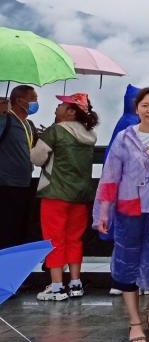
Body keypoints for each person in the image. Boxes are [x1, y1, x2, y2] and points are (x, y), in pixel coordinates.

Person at [94, 87, 149, 342]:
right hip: (129, 210)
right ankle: (134, 321)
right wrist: (103, 212)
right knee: (127, 261)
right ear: (137, 109)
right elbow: (110, 177)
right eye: (145, 105)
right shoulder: (124, 138)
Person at [30, 93, 98, 300]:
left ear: (70, 111)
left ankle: (57, 286)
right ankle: (75, 284)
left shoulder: (55, 131)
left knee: (54, 240)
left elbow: (37, 158)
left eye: (61, 105)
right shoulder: (89, 134)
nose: (57, 107)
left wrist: (41, 138)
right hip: (81, 195)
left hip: (56, 193)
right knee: (74, 239)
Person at [0, 84, 38, 248]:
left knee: (19, 231)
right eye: (32, 99)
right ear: (19, 100)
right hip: (5, 184)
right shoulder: (5, 120)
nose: (35, 103)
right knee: (5, 230)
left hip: (25, 184)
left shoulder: (29, 124)